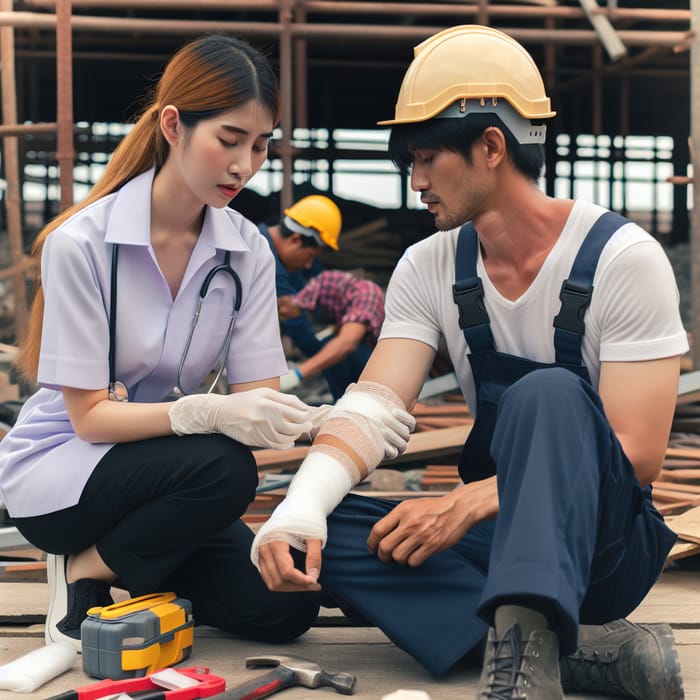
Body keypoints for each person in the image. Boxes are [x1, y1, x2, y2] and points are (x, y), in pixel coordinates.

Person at [250, 25, 687, 700]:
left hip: (602, 547)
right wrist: (300, 508)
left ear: (491, 146)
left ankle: (524, 667)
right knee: (322, 536)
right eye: (411, 163)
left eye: (427, 158)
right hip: (498, 536)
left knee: (547, 394)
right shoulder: (429, 266)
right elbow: (375, 403)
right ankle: (577, 651)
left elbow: (639, 454)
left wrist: (475, 497)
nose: (416, 181)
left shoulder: (622, 260)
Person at [0, 34, 324, 653]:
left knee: (284, 610)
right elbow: (91, 420)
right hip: (63, 475)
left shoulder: (247, 250)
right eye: (228, 140)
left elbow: (259, 401)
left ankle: (136, 567)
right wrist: (205, 411)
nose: (244, 166)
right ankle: (84, 569)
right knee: (226, 469)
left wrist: (316, 422)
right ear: (173, 125)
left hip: (170, 481)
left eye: (259, 146)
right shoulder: (82, 243)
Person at [277, 269, 385, 396]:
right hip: (365, 360)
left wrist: (297, 374)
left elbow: (347, 343)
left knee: (334, 349)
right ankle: (342, 401)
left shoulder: (365, 292)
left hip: (383, 365)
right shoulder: (338, 299)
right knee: (327, 344)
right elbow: (291, 307)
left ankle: (355, 401)